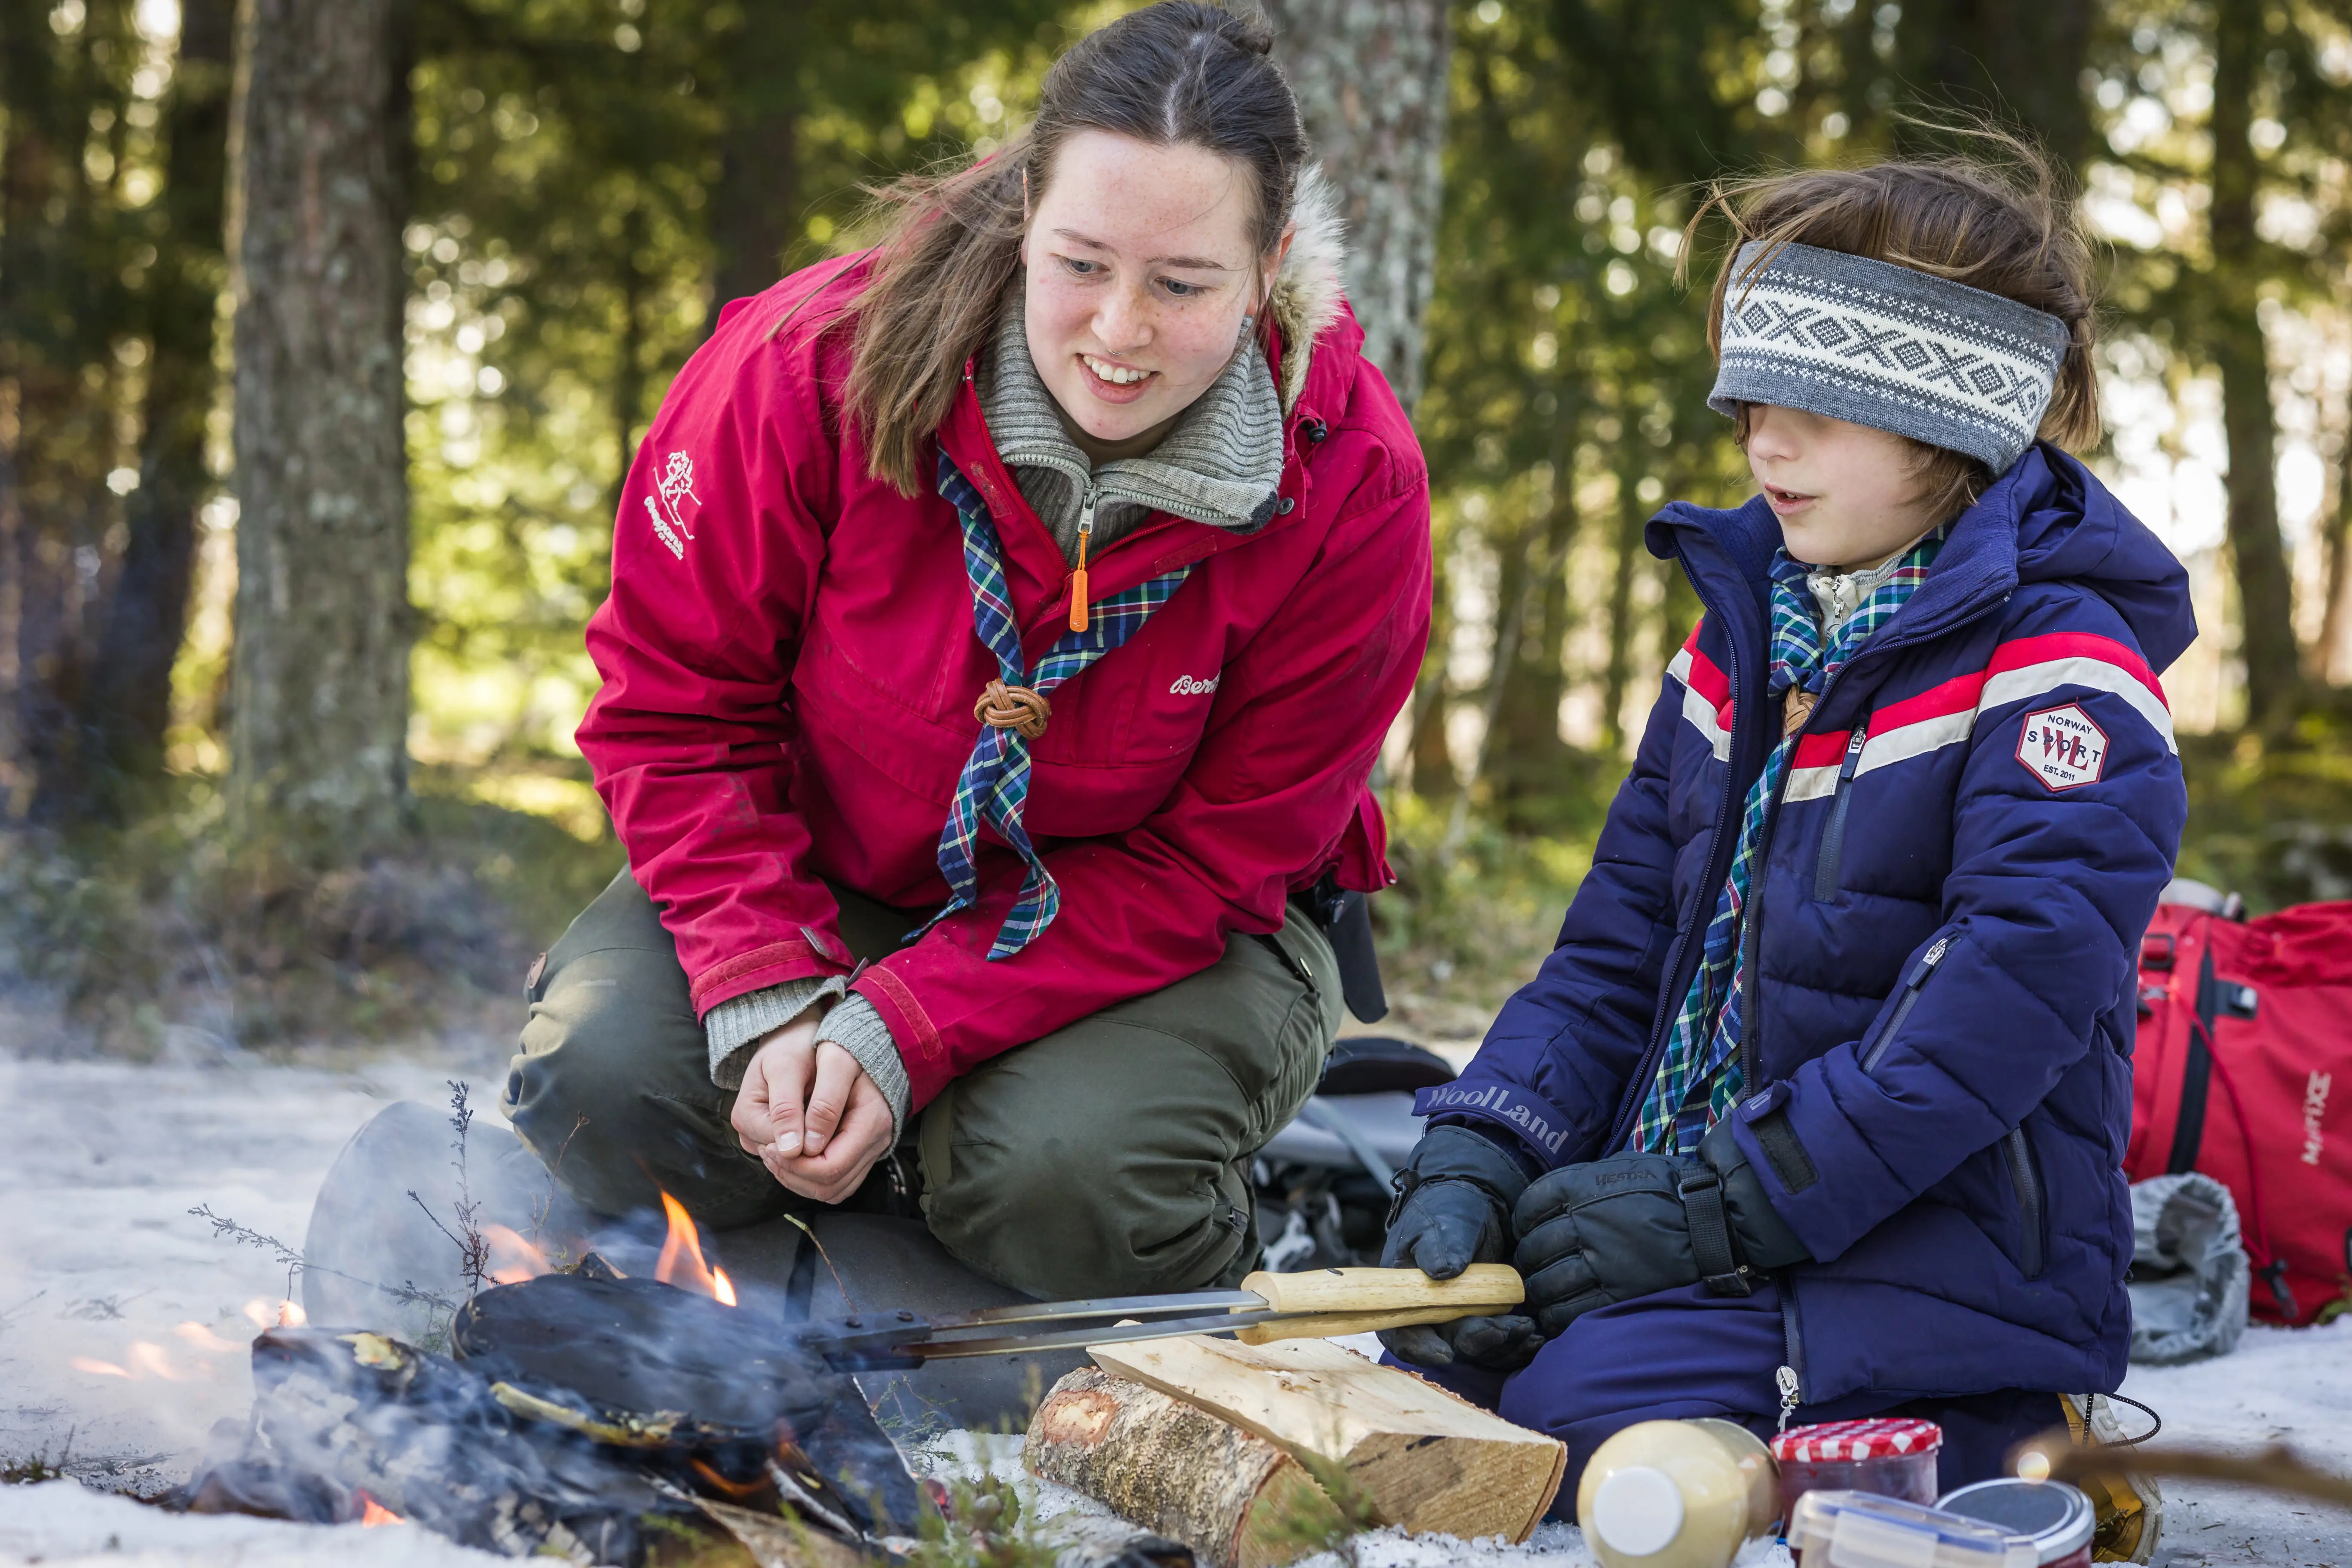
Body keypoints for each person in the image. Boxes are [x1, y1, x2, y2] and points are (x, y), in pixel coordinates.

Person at [502, 1, 1431, 1300]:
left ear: (1270, 263)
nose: (1118, 331)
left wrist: (906, 1028)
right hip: (828, 874)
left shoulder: (1353, 485)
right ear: (1024, 217)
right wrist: (767, 987)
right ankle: (869, 1208)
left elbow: (1218, 857)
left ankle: (1191, 1210)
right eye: (1082, 264)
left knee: (1061, 1177)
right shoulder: (803, 369)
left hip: (1152, 926)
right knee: (605, 1089)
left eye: (1184, 284)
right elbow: (678, 710)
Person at [1380, 140, 2193, 1502]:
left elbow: (1990, 1019)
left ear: (1957, 422)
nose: (1766, 438)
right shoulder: (1745, 643)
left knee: (1564, 1412)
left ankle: (1992, 1428)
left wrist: (1717, 1207)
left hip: (1923, 1265)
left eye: (1820, 405)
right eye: (1752, 395)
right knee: (1431, 1359)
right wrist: (1488, 1143)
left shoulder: (2064, 677)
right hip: (1720, 1212)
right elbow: (1613, 955)